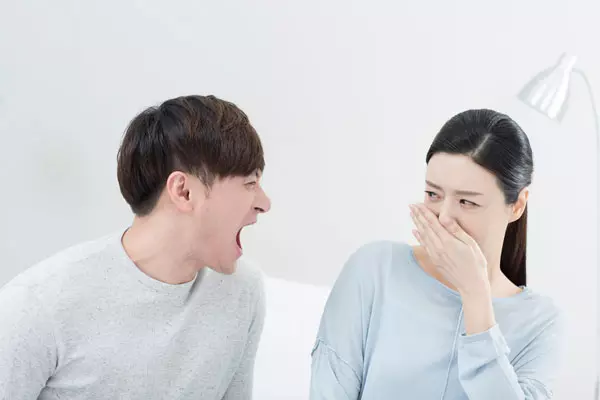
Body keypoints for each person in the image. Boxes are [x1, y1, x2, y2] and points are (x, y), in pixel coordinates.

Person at [0, 95, 271, 399]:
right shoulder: (35, 307)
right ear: (184, 191)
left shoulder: (242, 291)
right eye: (250, 184)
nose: (264, 203)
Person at [310, 108, 565, 399]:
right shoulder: (375, 270)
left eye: (467, 202)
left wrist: (475, 296)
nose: (444, 217)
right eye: (433, 194)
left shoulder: (540, 322)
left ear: (517, 205)